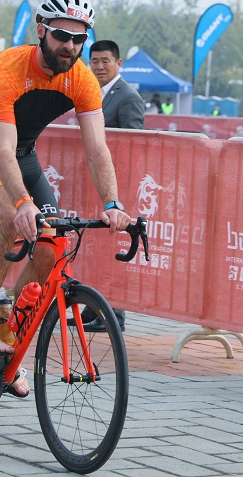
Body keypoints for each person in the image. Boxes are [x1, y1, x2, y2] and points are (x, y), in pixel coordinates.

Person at [0, 0, 131, 396]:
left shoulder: (81, 79)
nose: (70, 46)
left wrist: (113, 203)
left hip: (24, 154)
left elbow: (97, 149)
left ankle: (8, 331)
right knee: (9, 217)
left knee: (51, 244)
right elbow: (0, 151)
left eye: (79, 39)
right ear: (41, 31)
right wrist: (21, 203)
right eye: (62, 35)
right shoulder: (6, 68)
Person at [85, 39, 145, 331]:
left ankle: (113, 315)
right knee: (94, 247)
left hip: (117, 186)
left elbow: (134, 144)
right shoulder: (90, 92)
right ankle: (92, 308)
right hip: (94, 185)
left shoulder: (128, 97)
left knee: (112, 248)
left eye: (105, 61)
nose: (99, 66)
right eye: (94, 61)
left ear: (118, 63)